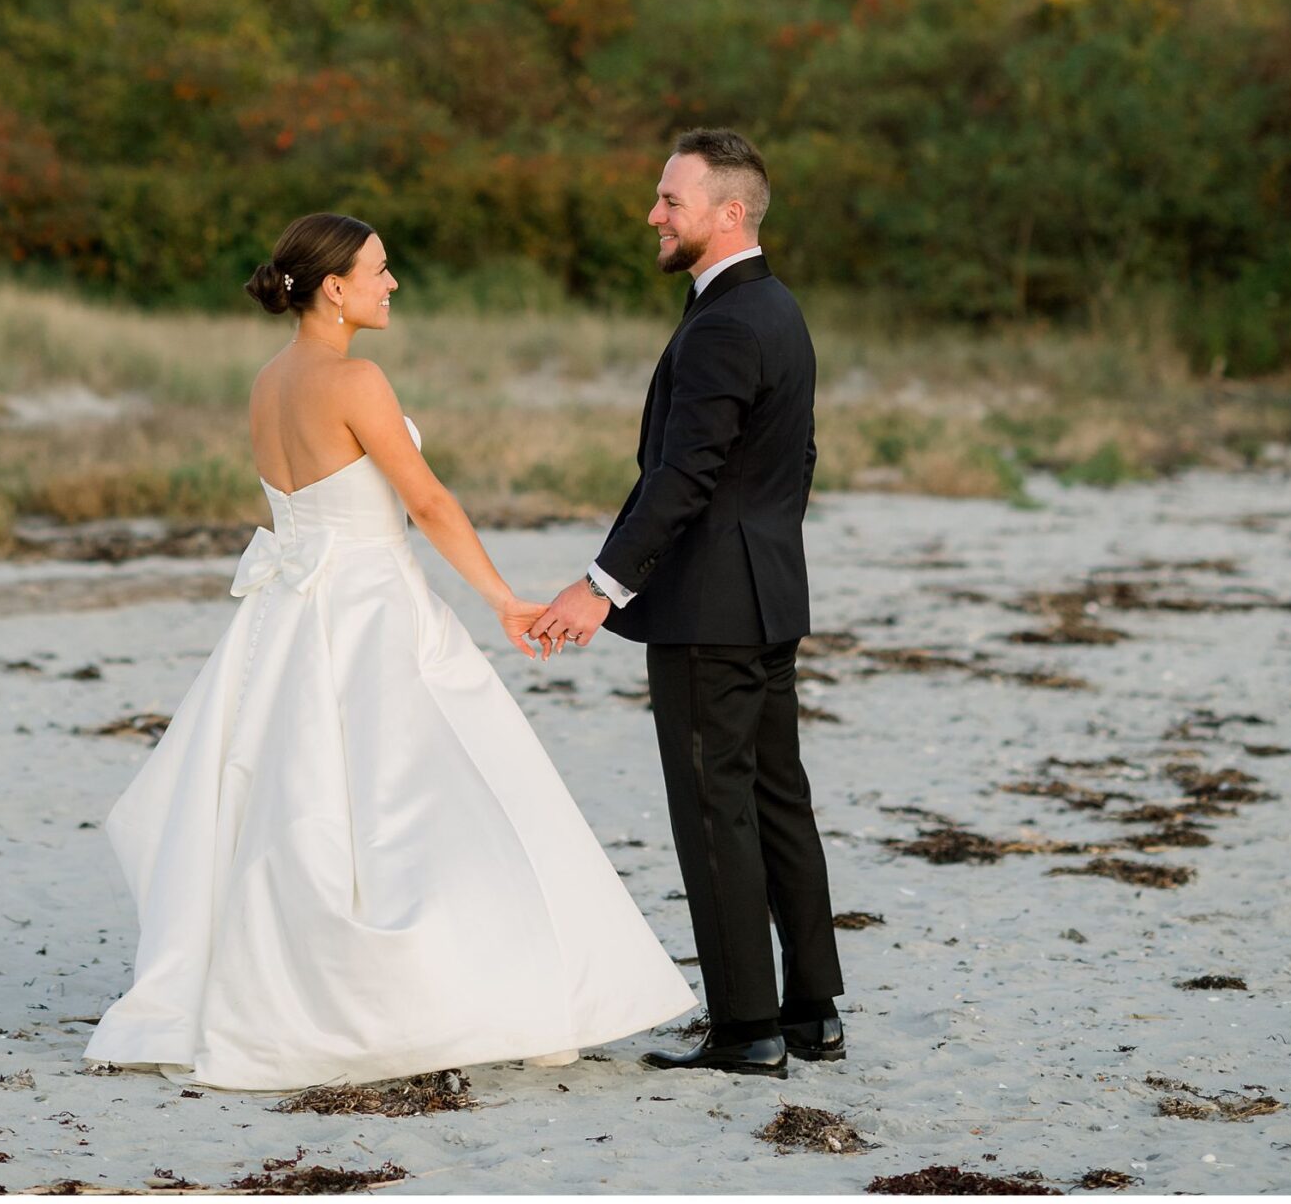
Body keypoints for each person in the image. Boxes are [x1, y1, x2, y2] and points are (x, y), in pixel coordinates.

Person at [83, 211, 693, 1090]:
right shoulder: (356, 378)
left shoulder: (266, 383)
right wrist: (504, 602)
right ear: (334, 288)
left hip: (286, 617)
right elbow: (430, 504)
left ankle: (275, 987)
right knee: (443, 794)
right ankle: (477, 993)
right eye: (378, 268)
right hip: (371, 608)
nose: (391, 281)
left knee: (301, 806)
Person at [534, 128, 845, 1080]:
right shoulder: (778, 309)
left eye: (671, 201)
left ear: (729, 212)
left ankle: (746, 1029)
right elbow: (793, 459)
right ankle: (811, 1014)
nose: (653, 214)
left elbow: (684, 476)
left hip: (709, 610)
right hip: (767, 598)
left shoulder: (722, 324)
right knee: (779, 800)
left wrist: (599, 587)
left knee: (717, 810)